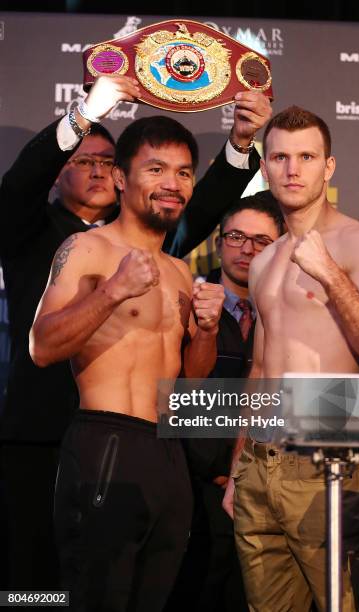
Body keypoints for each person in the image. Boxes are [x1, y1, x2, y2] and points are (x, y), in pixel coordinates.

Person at [0, 74, 271, 591]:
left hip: (154, 448)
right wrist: (83, 115)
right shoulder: (41, 229)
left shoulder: (165, 255)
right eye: (87, 159)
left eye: (107, 160)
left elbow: (190, 204)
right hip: (46, 435)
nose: (99, 170)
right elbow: (18, 187)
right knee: (36, 589)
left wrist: (240, 144)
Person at [28, 114, 225, 611]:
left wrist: (206, 330)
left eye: (183, 173)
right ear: (121, 177)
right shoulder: (87, 248)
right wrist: (114, 291)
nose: (172, 184)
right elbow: (42, 346)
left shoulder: (181, 271)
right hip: (105, 444)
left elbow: (191, 382)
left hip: (167, 454)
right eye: (156, 169)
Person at [223, 106, 359, 612]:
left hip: (329, 461)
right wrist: (239, 465)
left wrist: (328, 274)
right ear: (266, 165)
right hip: (261, 465)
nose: (292, 169)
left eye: (306, 156)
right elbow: (259, 369)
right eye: (279, 156)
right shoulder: (262, 261)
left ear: (330, 167)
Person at [167, 193, 283, 612]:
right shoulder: (187, 302)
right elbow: (177, 393)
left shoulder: (292, 311)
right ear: (218, 243)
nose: (247, 249)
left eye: (262, 241)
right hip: (199, 490)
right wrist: (218, 469)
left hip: (273, 490)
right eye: (236, 236)